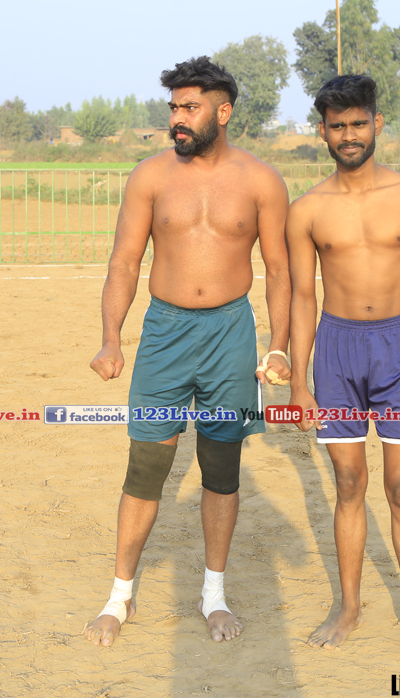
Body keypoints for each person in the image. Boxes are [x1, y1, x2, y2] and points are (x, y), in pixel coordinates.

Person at [85, 56, 291, 647]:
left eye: (189, 107)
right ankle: (119, 597)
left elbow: (280, 271)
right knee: (147, 465)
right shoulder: (149, 177)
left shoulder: (261, 181)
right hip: (165, 333)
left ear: (222, 112)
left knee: (221, 468)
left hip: (230, 333)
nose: (177, 117)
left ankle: (214, 596)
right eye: (173, 107)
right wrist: (111, 338)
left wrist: (278, 347)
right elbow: (124, 262)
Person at [286, 75, 400, 675]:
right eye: (337, 126)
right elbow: (301, 297)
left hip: (399, 350)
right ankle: (350, 608)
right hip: (335, 351)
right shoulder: (307, 210)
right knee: (348, 483)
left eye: (358, 123)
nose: (349, 135)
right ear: (322, 132)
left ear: (377, 124)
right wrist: (299, 384)